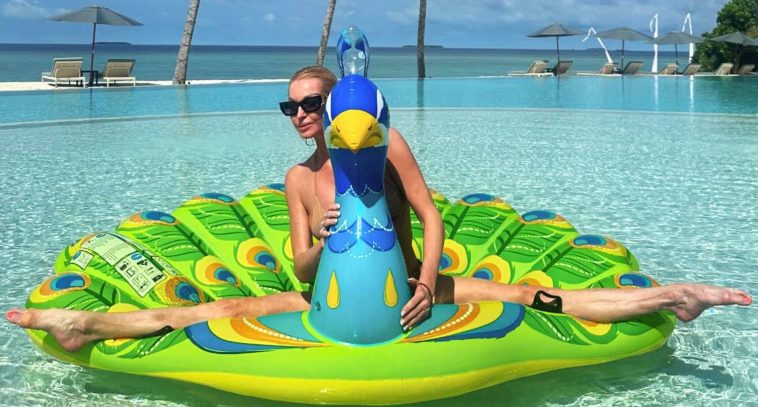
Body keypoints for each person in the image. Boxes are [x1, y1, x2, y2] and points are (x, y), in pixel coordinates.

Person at [6, 66, 751, 352]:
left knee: (535, 295)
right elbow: (303, 265)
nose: (300, 116)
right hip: (322, 299)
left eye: (310, 104)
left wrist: (427, 283)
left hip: (412, 289)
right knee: (211, 309)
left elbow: (430, 216)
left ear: (337, 107)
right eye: (290, 107)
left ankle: (671, 297)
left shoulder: (389, 147)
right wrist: (320, 237)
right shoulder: (300, 180)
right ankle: (85, 325)